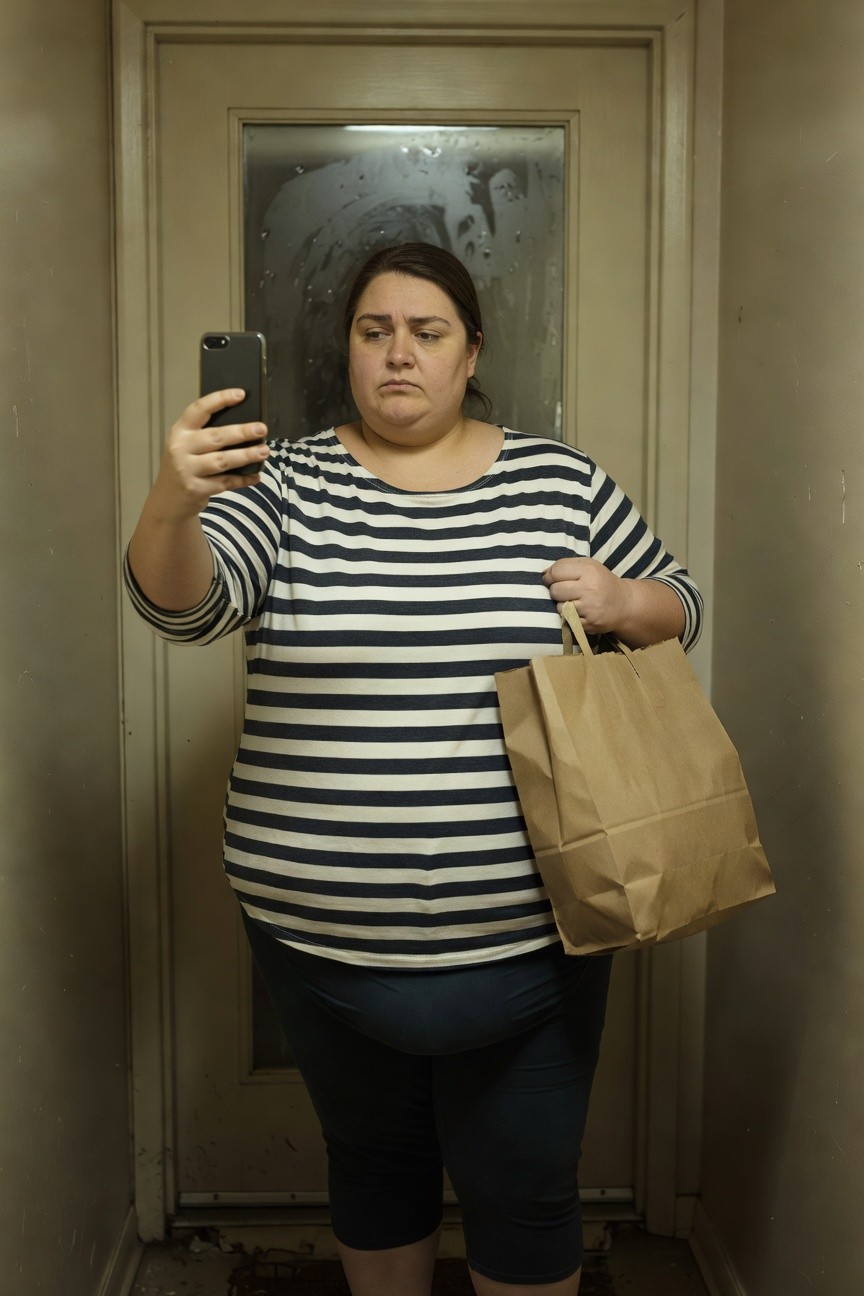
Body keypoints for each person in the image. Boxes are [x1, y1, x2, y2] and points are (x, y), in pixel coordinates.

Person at [126, 242, 703, 1296]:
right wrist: (174, 499)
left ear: (470, 352)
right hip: (318, 946)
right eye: (374, 331)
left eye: (427, 332)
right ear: (348, 350)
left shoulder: (558, 481)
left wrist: (625, 600)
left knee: (527, 1190)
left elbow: (681, 603)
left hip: (536, 944)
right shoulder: (283, 483)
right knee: (374, 1169)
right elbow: (188, 607)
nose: (399, 353)